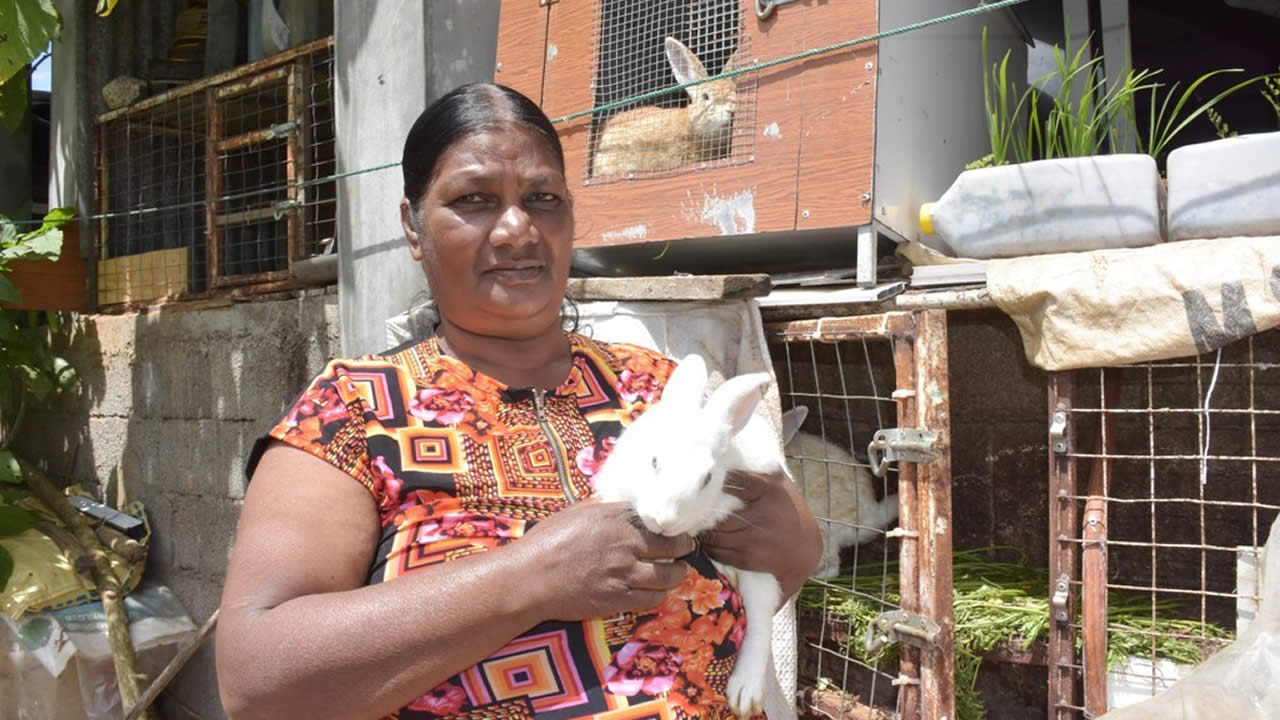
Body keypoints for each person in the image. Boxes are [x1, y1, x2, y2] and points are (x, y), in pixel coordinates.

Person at [215, 82, 823, 720]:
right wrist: (528, 579)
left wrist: (795, 538)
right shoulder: (354, 409)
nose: (516, 229)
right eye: (474, 200)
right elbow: (256, 682)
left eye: (543, 199)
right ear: (413, 226)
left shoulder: (662, 391)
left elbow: (779, 557)